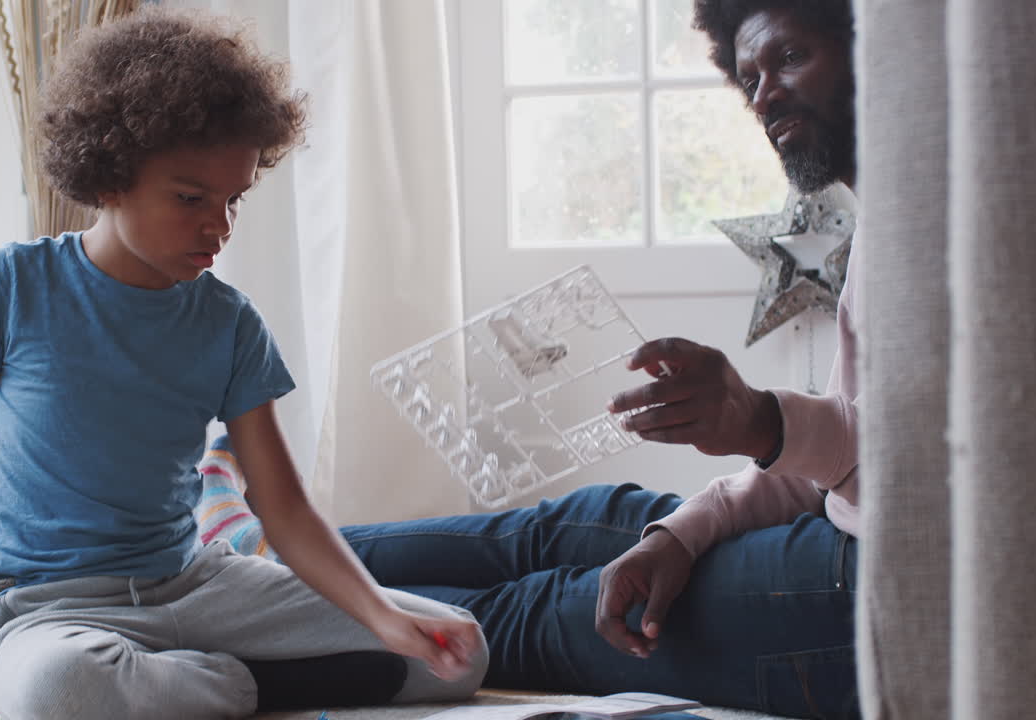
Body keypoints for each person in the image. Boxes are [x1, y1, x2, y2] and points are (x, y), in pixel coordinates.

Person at [0, 8, 487, 720]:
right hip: (45, 609)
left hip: (195, 585)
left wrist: (378, 616)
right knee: (63, 690)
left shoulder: (231, 324)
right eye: (191, 198)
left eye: (234, 199)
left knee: (456, 652)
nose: (219, 225)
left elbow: (281, 505)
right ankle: (248, 687)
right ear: (110, 175)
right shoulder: (14, 286)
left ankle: (187, 684)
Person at [196, 1, 861, 718]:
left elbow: (913, 483)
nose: (762, 94)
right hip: (830, 520)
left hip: (859, 589)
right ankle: (251, 553)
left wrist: (764, 423)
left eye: (789, 59)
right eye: (748, 74)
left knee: (536, 608)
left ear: (878, 47)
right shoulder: (889, 222)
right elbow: (835, 467)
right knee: (583, 522)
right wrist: (679, 532)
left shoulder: (947, 234)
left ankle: (235, 621)